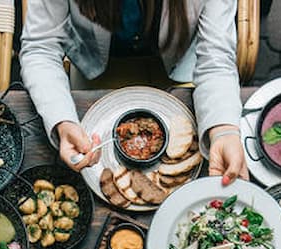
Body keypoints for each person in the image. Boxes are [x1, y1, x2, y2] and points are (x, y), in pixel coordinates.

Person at [19, 0, 248, 185]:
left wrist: (223, 130)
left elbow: (215, 61)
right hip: (96, 70)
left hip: (177, 69)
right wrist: (62, 120)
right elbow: (41, 49)